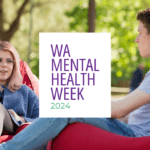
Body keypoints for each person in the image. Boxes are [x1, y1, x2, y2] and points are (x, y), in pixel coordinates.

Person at [1, 8, 150, 150]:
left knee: (64, 109)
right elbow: (129, 114)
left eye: (140, 33)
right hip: (130, 129)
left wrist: (78, 105)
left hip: (133, 135)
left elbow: (118, 110)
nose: (136, 39)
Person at [0, 41, 39, 136]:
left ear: (14, 66)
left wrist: (22, 119)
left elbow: (45, 119)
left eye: (9, 61)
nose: (4, 65)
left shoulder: (25, 91)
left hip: (15, 128)